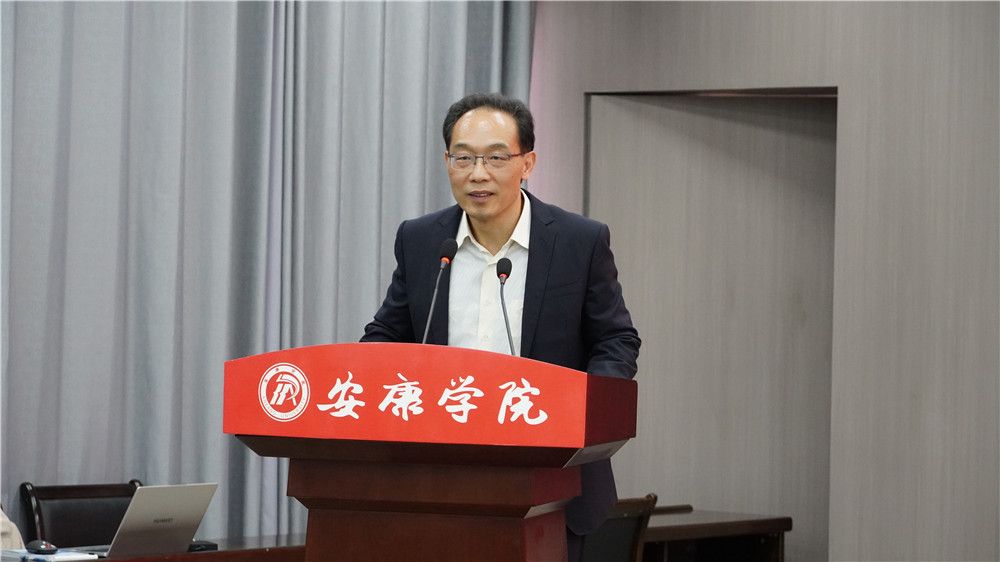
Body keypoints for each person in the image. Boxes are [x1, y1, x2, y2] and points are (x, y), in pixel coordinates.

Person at [361, 93, 640, 561]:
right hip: (436, 483)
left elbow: (616, 339)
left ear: (527, 163)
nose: (477, 174)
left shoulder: (578, 240)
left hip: (552, 485)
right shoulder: (422, 239)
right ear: (447, 162)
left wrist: (584, 412)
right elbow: (387, 335)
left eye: (495, 158)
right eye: (463, 158)